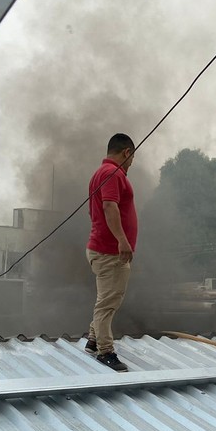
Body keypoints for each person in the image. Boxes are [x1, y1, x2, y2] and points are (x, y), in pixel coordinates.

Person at [84, 133, 138, 371]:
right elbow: (108, 206)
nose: (131, 164)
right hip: (109, 252)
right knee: (107, 303)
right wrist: (122, 241)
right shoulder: (112, 174)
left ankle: (93, 340)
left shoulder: (100, 173)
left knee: (106, 298)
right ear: (126, 152)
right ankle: (105, 351)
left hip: (103, 249)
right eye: (132, 157)